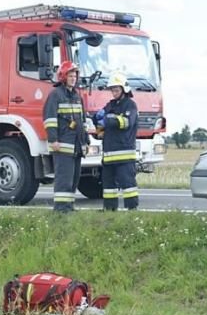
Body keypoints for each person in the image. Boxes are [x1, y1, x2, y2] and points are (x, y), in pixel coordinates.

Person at [43, 61, 89, 212]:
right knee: (64, 178)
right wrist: (53, 139)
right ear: (63, 76)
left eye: (75, 76)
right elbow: (50, 119)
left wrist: (86, 141)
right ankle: (61, 209)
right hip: (62, 145)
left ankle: (68, 207)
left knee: (74, 178)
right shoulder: (55, 95)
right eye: (70, 76)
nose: (73, 78)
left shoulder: (77, 96)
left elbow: (82, 121)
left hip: (76, 146)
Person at [97, 71, 140, 210]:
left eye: (116, 90)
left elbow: (126, 122)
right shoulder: (111, 105)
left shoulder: (130, 105)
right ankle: (109, 210)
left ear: (124, 89)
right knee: (108, 186)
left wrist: (107, 119)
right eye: (112, 90)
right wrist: (97, 119)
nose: (114, 93)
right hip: (109, 154)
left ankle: (132, 209)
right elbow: (98, 120)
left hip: (124, 154)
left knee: (128, 185)